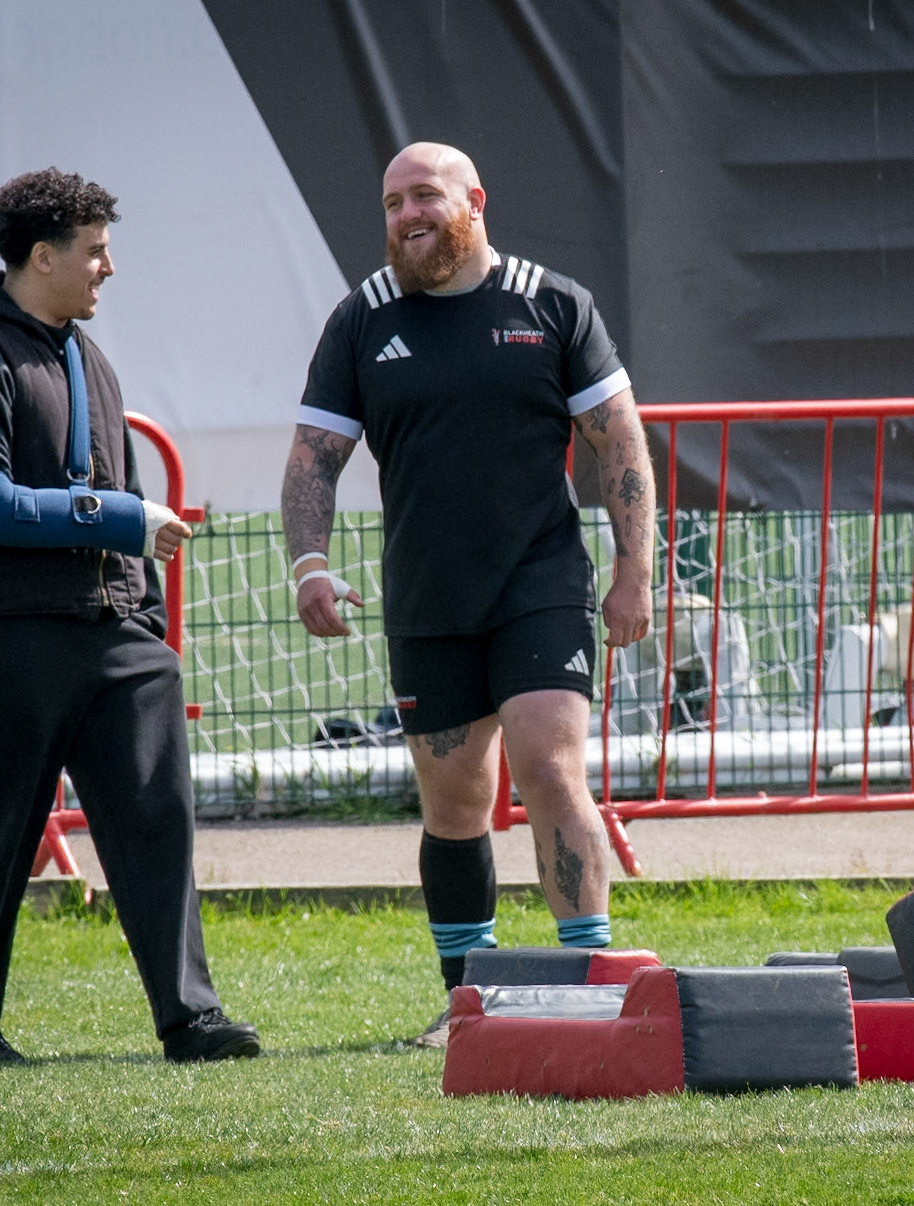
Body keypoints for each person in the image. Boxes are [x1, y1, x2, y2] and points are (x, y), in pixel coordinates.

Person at [281, 141, 657, 1045]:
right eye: (391, 203)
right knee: (454, 803)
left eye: (424, 196)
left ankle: (587, 983)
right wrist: (310, 564)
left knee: (550, 768)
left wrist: (633, 569)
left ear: (474, 201)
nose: (407, 216)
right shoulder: (360, 321)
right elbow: (312, 461)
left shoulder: (554, 304)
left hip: (539, 584)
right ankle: (468, 1005)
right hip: (425, 599)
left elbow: (618, 442)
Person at [0, 168, 259, 1064]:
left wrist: (143, 621)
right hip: (7, 630)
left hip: (113, 631)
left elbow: (125, 492)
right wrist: (115, 522)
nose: (108, 268)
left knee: (157, 820)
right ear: (43, 256)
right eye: (95, 251)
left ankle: (190, 1019)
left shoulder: (83, 351)